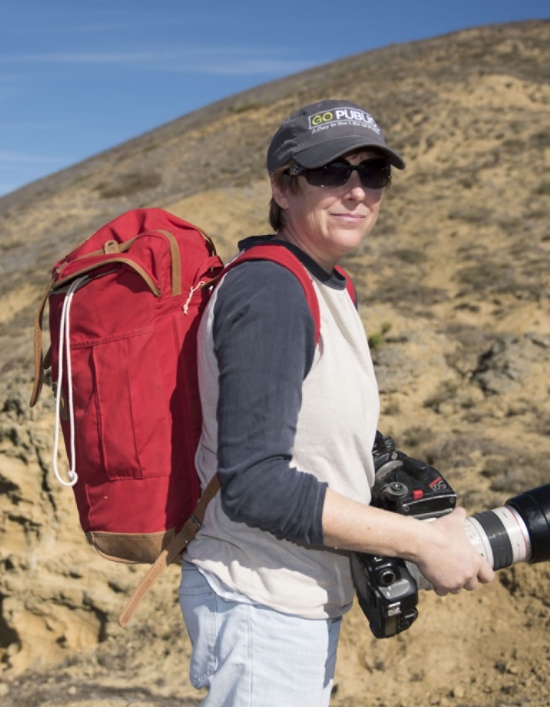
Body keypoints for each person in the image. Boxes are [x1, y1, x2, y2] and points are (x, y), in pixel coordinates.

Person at [180, 99, 494, 706]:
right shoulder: (272, 288)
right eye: (330, 171)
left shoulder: (327, 282)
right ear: (282, 186)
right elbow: (257, 484)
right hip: (262, 604)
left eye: (372, 173)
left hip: (288, 598)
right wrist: (421, 543)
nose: (355, 191)